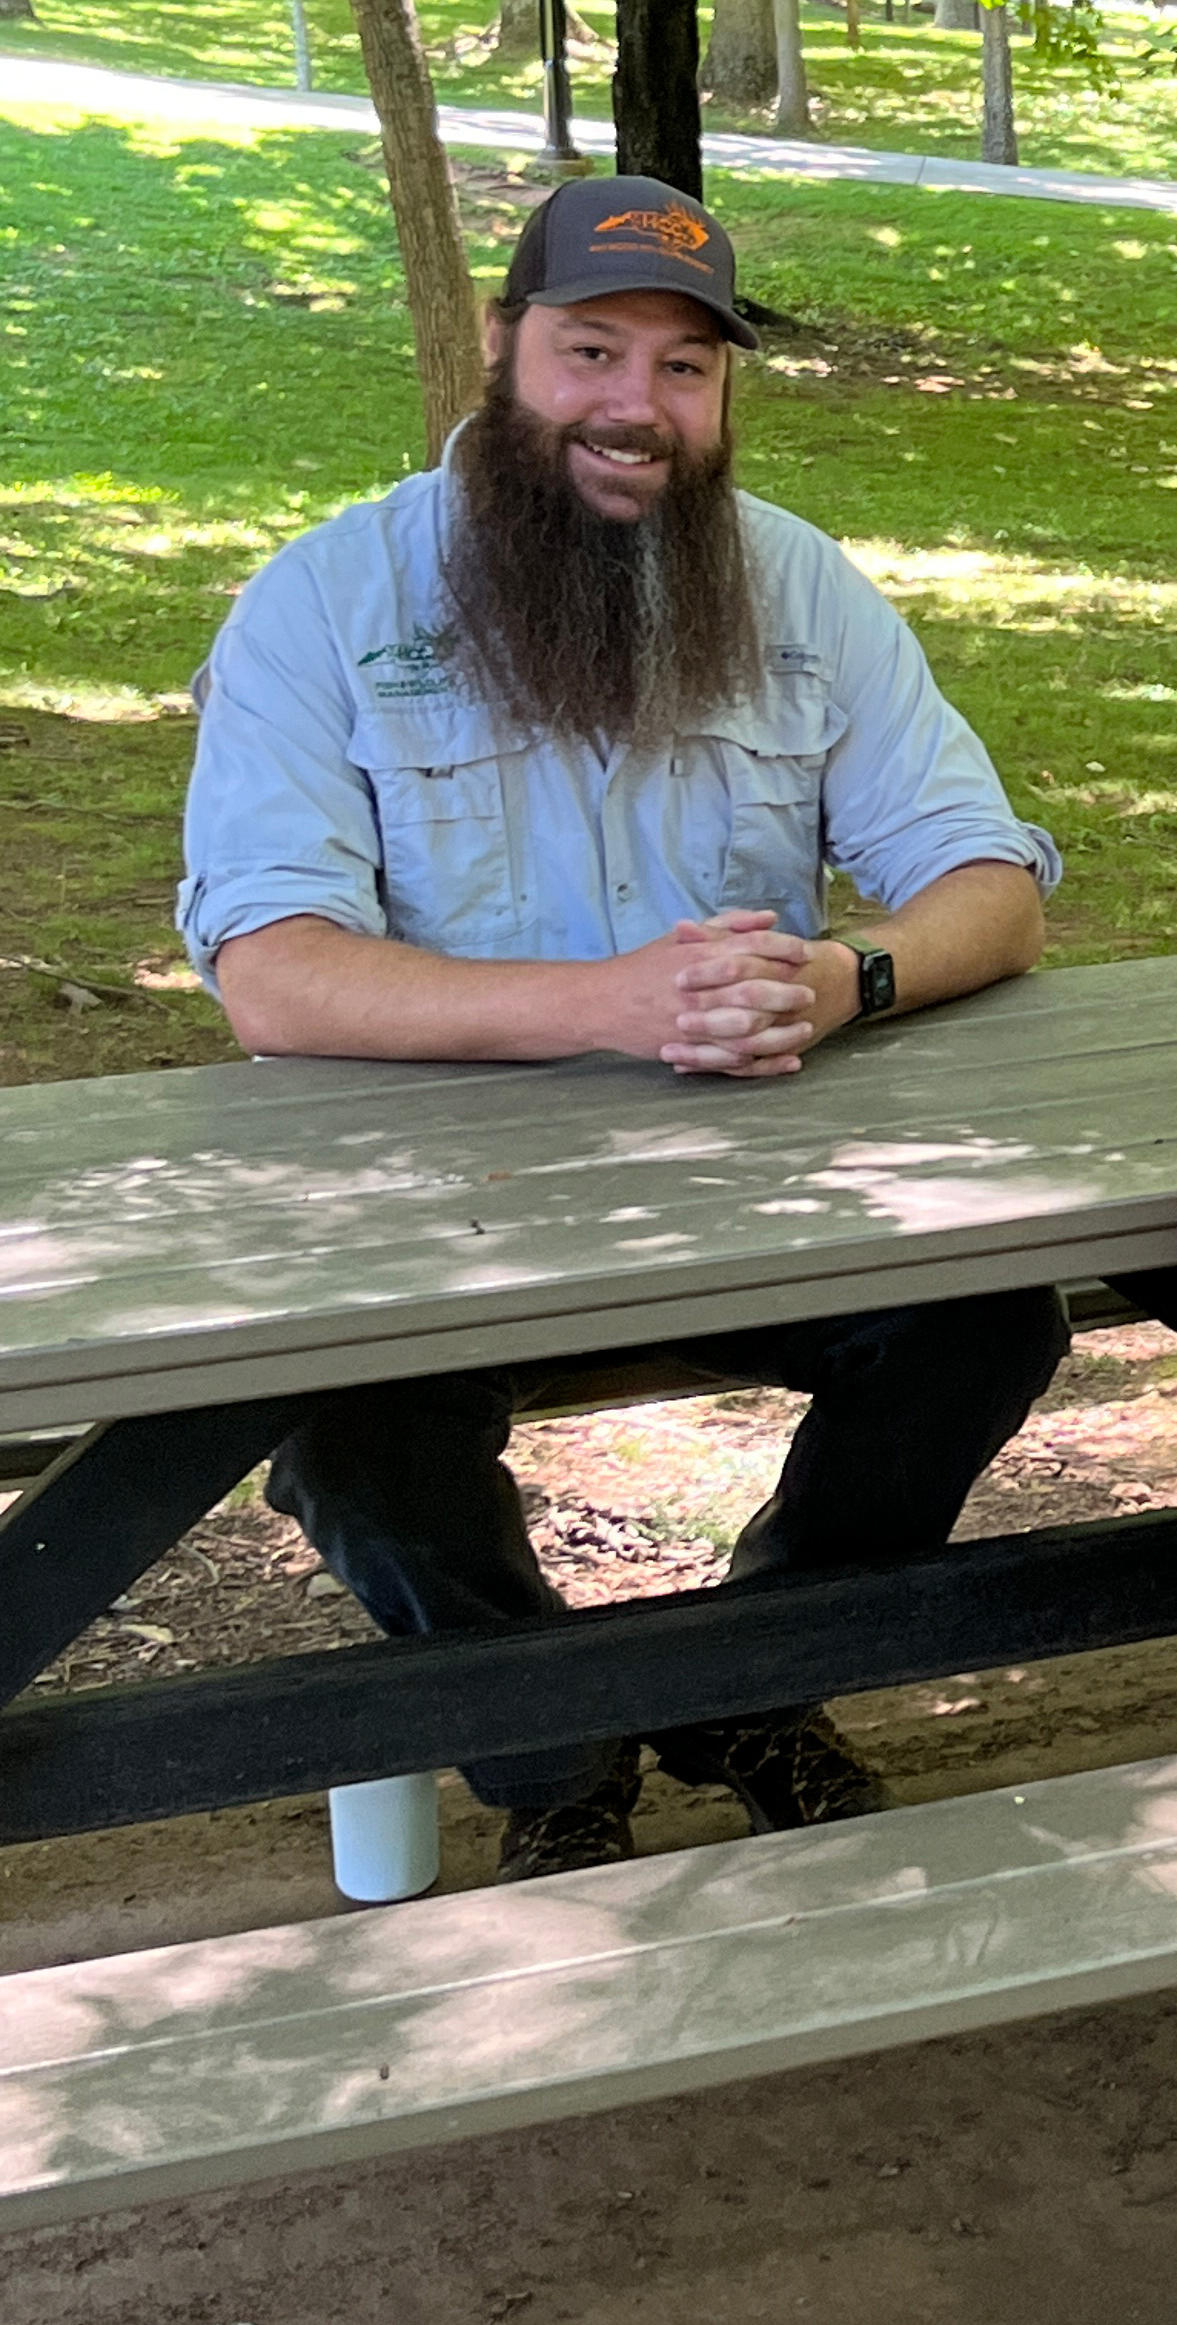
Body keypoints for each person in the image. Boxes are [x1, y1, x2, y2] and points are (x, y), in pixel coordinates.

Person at [177, 175, 1072, 1880]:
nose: (634, 408)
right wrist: (602, 1004)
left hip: (758, 1186)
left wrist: (844, 980)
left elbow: (988, 881)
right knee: (350, 1427)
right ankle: (555, 1756)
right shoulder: (328, 600)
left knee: (983, 1319)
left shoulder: (796, 586)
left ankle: (754, 1677)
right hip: (428, 1205)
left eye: (684, 369)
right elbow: (274, 973)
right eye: (592, 350)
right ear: (502, 346)